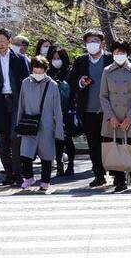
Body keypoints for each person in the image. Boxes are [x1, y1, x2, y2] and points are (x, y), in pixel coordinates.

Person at [0, 28, 31, 186]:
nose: (0, 44)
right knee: (3, 140)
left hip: (17, 102)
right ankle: (8, 173)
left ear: (9, 41)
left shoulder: (20, 59)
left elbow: (27, 81)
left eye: (3, 41)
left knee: (15, 138)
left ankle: (19, 173)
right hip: (0, 104)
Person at [69, 30, 113, 187]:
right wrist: (80, 82)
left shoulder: (110, 59)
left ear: (102, 43)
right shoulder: (80, 60)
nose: (92, 44)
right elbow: (71, 80)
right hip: (88, 109)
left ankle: (116, 174)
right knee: (93, 144)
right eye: (89, 41)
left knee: (110, 142)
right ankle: (98, 174)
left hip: (109, 110)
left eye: (95, 40)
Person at [100, 41, 131, 192]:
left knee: (130, 146)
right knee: (116, 146)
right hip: (113, 116)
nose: (119, 55)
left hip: (130, 115)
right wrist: (110, 116)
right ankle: (119, 180)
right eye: (116, 52)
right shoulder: (106, 71)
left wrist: (130, 117)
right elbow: (103, 96)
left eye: (122, 52)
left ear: (127, 53)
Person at [18, 56, 64, 191]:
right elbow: (21, 104)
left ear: (45, 69)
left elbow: (57, 109)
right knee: (25, 154)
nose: (38, 71)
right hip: (29, 124)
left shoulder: (52, 85)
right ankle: (28, 177)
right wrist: (19, 125)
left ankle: (45, 181)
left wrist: (59, 130)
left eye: (41, 68)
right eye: (35, 68)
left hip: (47, 124)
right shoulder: (25, 83)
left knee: (47, 155)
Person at [48, 47, 75, 176]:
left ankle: (71, 165)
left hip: (67, 110)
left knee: (67, 139)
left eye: (59, 58)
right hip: (52, 111)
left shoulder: (70, 73)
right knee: (56, 140)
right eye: (54, 58)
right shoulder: (49, 73)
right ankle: (59, 165)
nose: (56, 61)